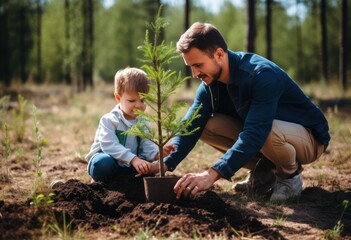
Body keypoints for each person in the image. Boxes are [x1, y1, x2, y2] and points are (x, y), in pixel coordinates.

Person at [150, 22, 330, 202]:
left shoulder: (261, 75)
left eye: (198, 65)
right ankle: (265, 172)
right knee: (206, 125)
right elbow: (191, 124)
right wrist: (165, 164)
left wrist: (211, 175)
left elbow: (255, 133)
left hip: (309, 139)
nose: (195, 74)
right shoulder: (209, 85)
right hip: (268, 136)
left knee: (267, 130)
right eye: (191, 67)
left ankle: (289, 177)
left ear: (219, 54)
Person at [86, 67, 174, 183]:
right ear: (118, 98)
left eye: (143, 100)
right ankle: (99, 180)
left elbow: (146, 147)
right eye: (132, 101)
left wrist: (158, 154)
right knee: (102, 164)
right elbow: (109, 145)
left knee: (146, 168)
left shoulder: (143, 122)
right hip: (108, 160)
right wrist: (133, 159)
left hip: (128, 165)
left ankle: (121, 182)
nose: (138, 105)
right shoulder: (109, 120)